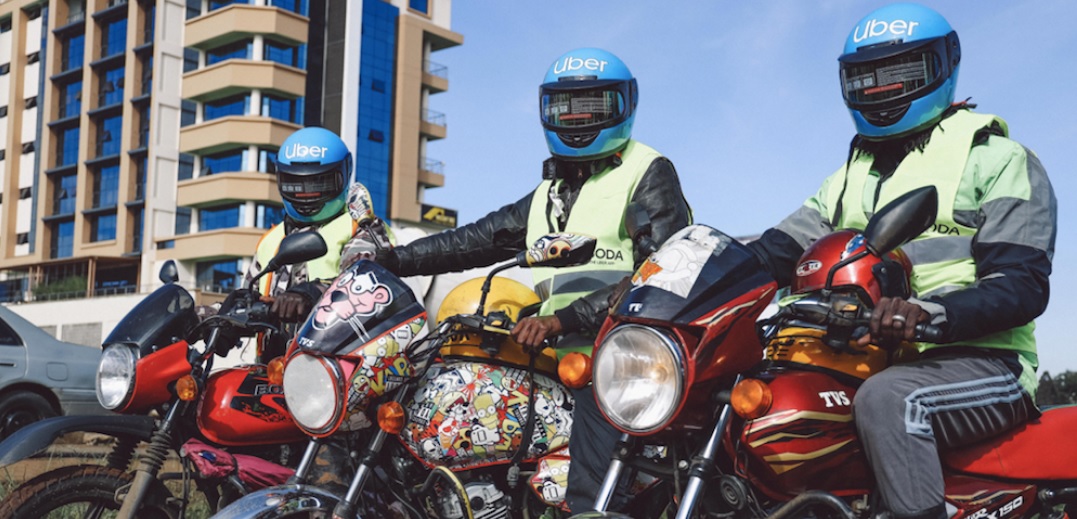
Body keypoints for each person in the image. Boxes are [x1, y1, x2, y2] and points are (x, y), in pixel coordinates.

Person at [746, 4, 1055, 518]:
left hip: (984, 363)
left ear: (943, 65)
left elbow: (1021, 284)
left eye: (901, 73)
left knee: (891, 400)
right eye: (866, 78)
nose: (882, 89)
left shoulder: (998, 159)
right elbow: (778, 248)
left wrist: (929, 315)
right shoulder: (847, 178)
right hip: (867, 358)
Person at [376, 47, 691, 512]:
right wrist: (394, 260)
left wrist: (561, 320)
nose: (579, 116)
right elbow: (472, 240)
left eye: (594, 105)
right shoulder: (551, 191)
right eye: (566, 106)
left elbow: (660, 270)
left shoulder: (647, 172)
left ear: (624, 104)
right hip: (552, 359)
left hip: (620, 366)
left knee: (593, 489)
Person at [244, 126, 391, 361]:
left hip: (334, 374)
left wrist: (310, 294)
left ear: (345, 172)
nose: (305, 194)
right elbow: (249, 293)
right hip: (271, 370)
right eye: (295, 184)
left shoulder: (362, 230)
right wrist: (207, 314)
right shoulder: (271, 239)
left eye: (318, 183)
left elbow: (367, 284)